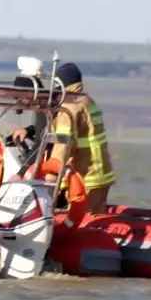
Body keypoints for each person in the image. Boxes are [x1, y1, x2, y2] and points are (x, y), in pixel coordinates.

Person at [12, 62, 115, 215]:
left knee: (83, 224)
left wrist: (50, 179)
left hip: (86, 177)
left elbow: (62, 145)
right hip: (100, 175)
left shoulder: (70, 108)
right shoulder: (86, 101)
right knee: (96, 220)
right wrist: (30, 130)